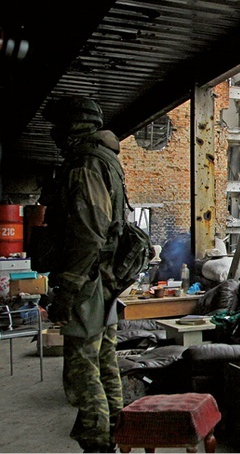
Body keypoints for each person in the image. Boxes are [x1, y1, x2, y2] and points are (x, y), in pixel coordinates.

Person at [42, 96, 128, 453]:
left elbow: (87, 230)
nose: (55, 135)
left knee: (82, 369)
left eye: (59, 128)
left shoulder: (86, 165)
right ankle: (118, 434)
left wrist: (67, 288)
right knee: (105, 363)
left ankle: (97, 444)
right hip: (103, 278)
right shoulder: (106, 161)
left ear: (72, 127)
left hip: (88, 281)